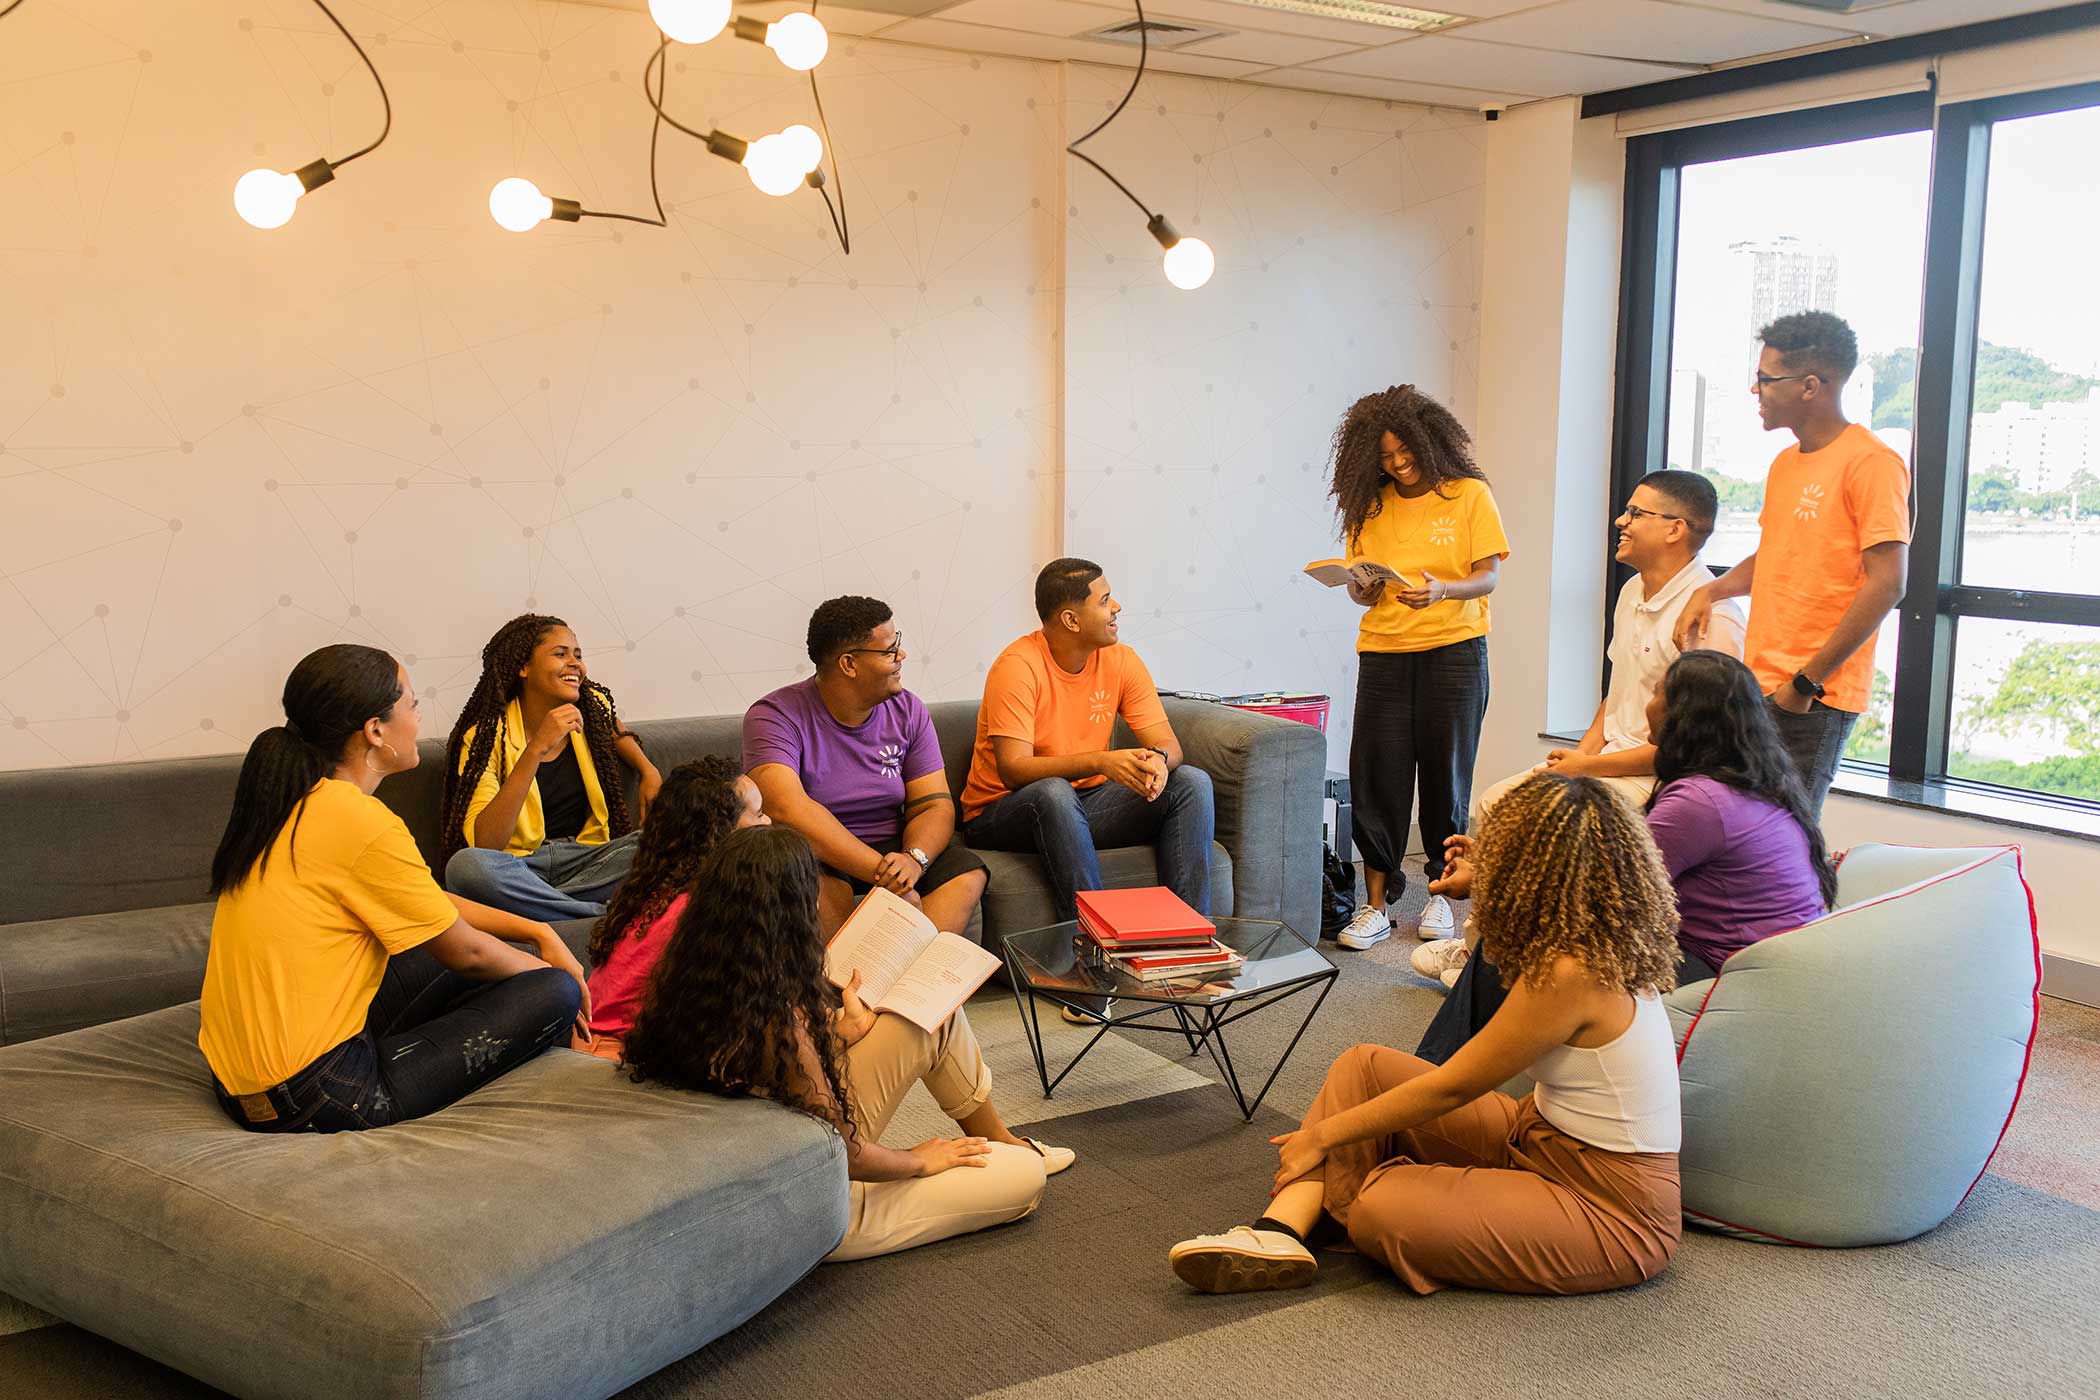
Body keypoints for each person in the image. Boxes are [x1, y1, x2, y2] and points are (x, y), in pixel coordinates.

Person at [1167, 772, 1682, 1297]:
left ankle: (1305, 1212)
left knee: (1382, 1207)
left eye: (1506, 853)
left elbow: (1452, 1086)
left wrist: (1322, 1136)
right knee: (1364, 1067)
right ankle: (1277, 1233)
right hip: (1535, 1134)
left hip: (1610, 1205)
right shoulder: (1583, 937)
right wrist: (1481, 881)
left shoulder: (1575, 972)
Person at [620, 825, 1074, 1261]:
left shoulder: (694, 975)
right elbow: (847, 1154)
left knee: (928, 1012)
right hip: (815, 1204)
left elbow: (764, 1080)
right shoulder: (777, 1020)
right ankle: (1012, 1155)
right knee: (1023, 1178)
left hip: (769, 1157)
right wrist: (917, 1160)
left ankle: (1000, 1138)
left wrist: (836, 1036)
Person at [198, 644, 589, 1134]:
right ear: (375, 730)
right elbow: (465, 952)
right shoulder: (362, 821)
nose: (419, 717)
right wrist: (551, 975)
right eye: (412, 703)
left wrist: (538, 931)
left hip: (238, 1084)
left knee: (431, 945)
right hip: (318, 1095)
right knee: (552, 991)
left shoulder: (296, 803)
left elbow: (424, 901)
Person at [1413, 651, 1835, 1063]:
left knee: (1524, 934)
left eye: (1656, 695)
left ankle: (1435, 1074)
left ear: (1684, 717)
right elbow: (1600, 871)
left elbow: (1596, 894)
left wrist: (1485, 883)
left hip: (1725, 977)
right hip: (1759, 973)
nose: (1646, 705)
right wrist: (1492, 866)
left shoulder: (1700, 803)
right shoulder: (1754, 783)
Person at [1416, 470, 1742, 981]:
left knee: (1542, 829)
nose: (1622, 520)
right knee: (1499, 801)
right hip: (1606, 759)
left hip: (1659, 777)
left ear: (1676, 529)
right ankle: (1483, 950)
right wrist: (1577, 759)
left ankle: (1505, 962)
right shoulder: (1633, 590)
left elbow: (1694, 748)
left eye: (1636, 512)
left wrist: (1587, 766)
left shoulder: (1712, 613)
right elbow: (1617, 692)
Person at [1674, 311, 1911, 815]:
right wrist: (1710, 590)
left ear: (1810, 386)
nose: (1755, 391)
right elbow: (1777, 554)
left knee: (1790, 842)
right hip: (1761, 679)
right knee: (1750, 831)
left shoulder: (1871, 462)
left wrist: (1808, 681)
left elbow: (1888, 584)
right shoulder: (1786, 463)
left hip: (1814, 691)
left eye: (1765, 379)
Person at [960, 558, 1214, 1019]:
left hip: (1080, 805)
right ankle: (1094, 971)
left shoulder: (1120, 659)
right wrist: (1102, 761)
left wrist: (1156, 762)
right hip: (1000, 812)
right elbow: (1014, 770)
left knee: (1190, 782)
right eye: (1104, 600)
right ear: (1071, 619)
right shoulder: (1017, 666)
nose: (1117, 607)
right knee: (1054, 792)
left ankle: (1185, 951)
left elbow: (1169, 744)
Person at [1326, 384, 1509, 952]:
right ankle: (1375, 904)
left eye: (1405, 452)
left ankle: (1440, 895)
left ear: (1431, 442)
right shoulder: (1370, 505)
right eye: (1384, 457)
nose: (1397, 464)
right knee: (1378, 774)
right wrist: (1360, 586)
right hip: (1383, 651)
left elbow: (1490, 575)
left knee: (1445, 775)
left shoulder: (1468, 495)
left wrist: (1443, 590)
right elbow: (1364, 595)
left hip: (1454, 650)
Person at [746, 596, 988, 940]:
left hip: (893, 848)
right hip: (819, 851)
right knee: (816, 883)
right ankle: (850, 986)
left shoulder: (909, 710)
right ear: (849, 664)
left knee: (968, 871)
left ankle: (914, 987)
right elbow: (786, 808)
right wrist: (883, 873)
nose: (901, 656)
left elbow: (933, 804)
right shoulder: (775, 716)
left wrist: (912, 861)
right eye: (890, 651)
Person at [440, 614, 650, 921]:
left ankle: (542, 906)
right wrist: (535, 749)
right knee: (465, 868)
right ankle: (592, 914)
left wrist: (648, 770)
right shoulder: (485, 737)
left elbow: (615, 730)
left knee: (662, 842)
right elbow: (487, 843)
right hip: (521, 867)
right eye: (560, 654)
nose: (575, 663)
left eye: (577, 655)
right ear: (523, 667)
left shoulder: (590, 710)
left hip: (587, 860)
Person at [574, 756, 768, 1060]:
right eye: (758, 815)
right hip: (615, 1053)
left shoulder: (663, 890)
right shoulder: (698, 911)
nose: (768, 823)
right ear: (722, 832)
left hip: (604, 1042)